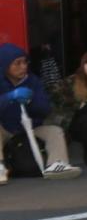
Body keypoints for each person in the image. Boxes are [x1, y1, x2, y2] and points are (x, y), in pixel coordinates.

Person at [0, 43, 81, 182]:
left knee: (55, 131)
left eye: (25, 62)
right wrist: (9, 97)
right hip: (6, 128)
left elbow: (45, 110)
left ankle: (56, 164)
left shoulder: (33, 81)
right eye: (17, 63)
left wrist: (31, 101)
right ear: (5, 66)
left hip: (31, 126)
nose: (23, 67)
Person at [0, 0, 47, 69]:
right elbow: (39, 20)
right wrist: (44, 41)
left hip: (3, 45)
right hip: (31, 43)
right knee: (32, 72)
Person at [30, 0, 62, 70]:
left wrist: (53, 3)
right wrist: (60, 2)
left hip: (59, 28)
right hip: (45, 31)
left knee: (60, 59)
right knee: (46, 62)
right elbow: (43, 5)